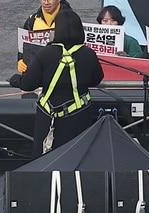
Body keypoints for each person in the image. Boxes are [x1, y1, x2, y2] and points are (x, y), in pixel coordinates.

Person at [9, 11, 103, 155]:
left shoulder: (45, 54)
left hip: (49, 115)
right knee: (77, 155)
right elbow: (97, 79)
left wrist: (15, 80)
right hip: (79, 114)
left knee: (45, 158)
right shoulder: (88, 54)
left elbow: (28, 84)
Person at [17, 0, 72, 72]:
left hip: (61, 70)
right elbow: (23, 44)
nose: (46, 2)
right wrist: (20, 59)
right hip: (37, 70)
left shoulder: (70, 20)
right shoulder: (32, 20)